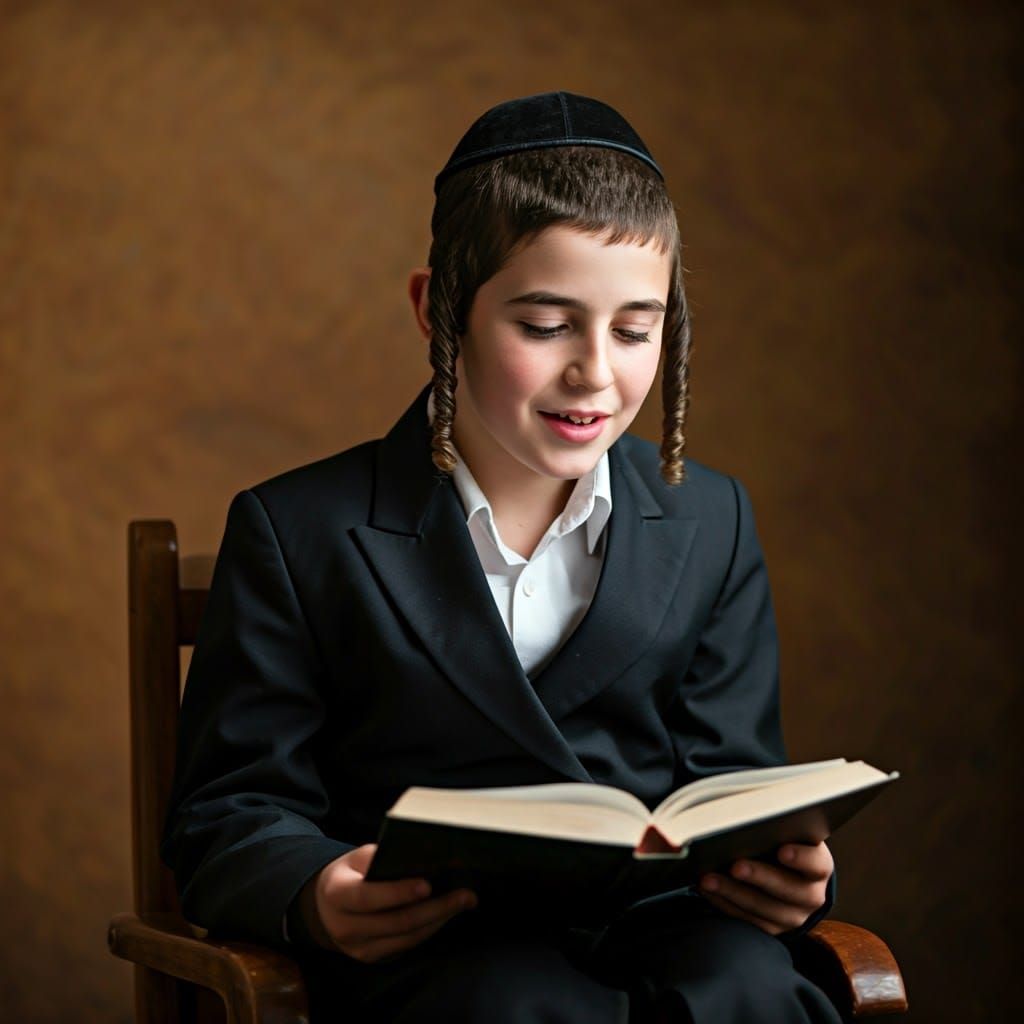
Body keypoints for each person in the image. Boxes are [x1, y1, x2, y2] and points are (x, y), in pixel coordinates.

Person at [162, 91, 840, 1023]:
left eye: (634, 330)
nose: (595, 372)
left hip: (662, 927)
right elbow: (228, 812)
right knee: (514, 1002)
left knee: (750, 989)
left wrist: (789, 874)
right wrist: (318, 893)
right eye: (546, 325)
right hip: (433, 951)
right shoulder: (297, 530)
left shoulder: (711, 517)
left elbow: (731, 786)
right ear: (438, 312)